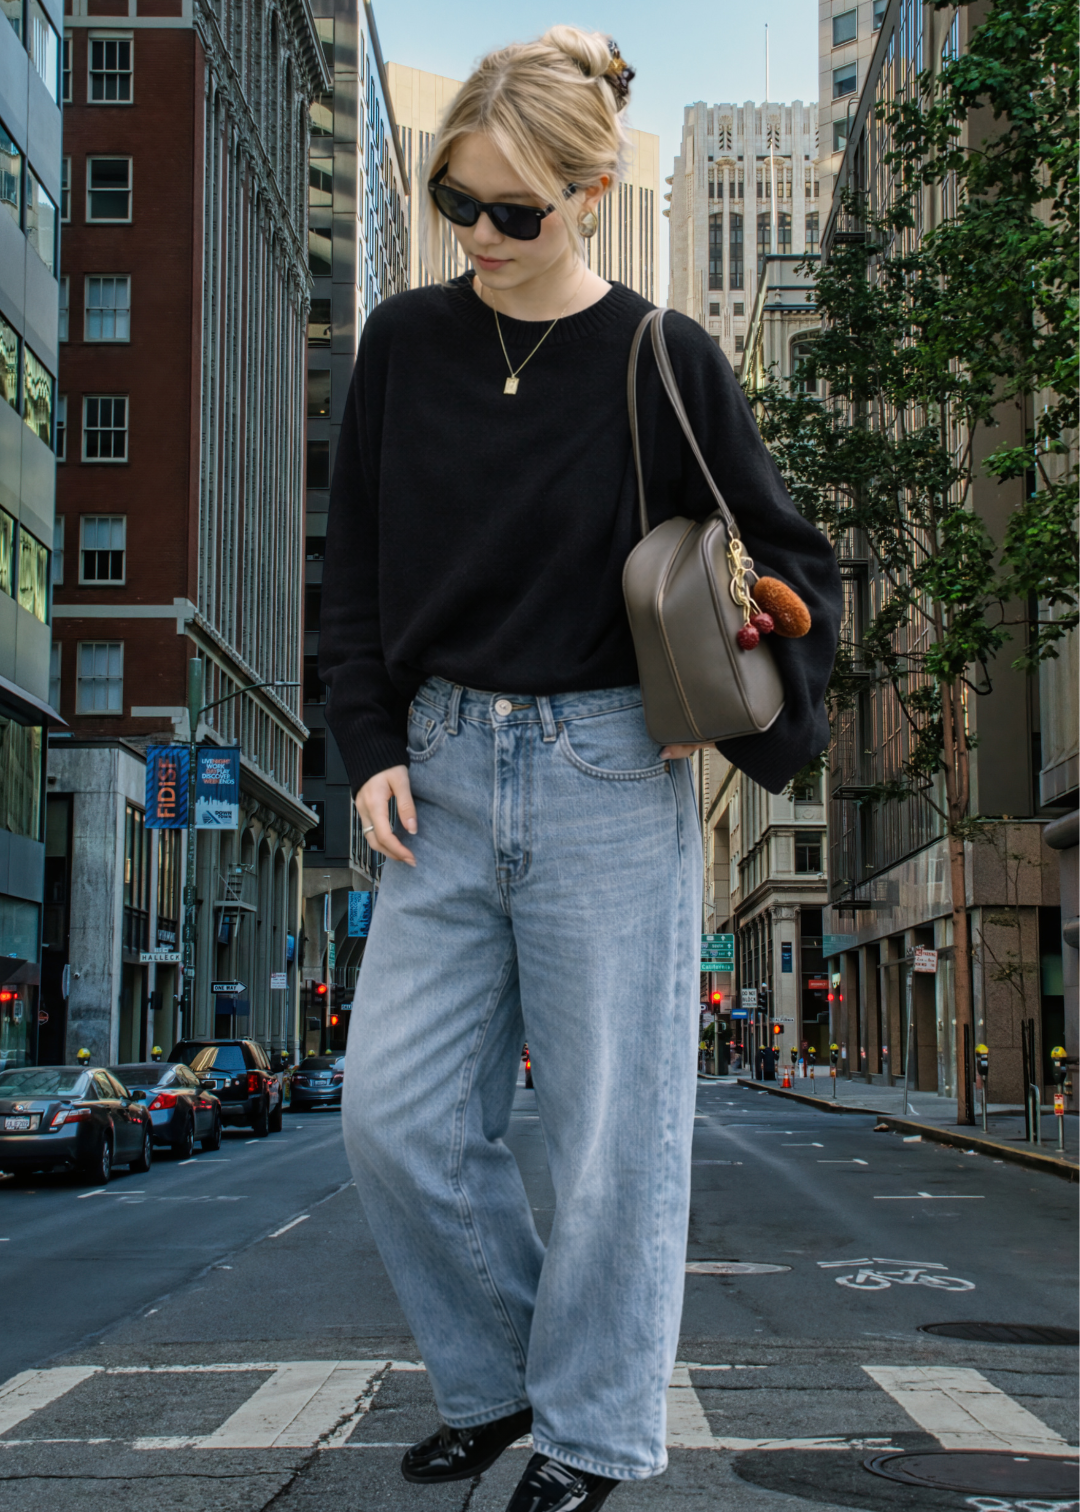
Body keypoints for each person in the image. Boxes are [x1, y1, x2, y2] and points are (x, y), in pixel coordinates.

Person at [319, 26, 841, 1512]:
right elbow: (349, 572)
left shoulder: (662, 360)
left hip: (611, 774)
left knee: (611, 1142)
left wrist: (729, 723)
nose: (479, 236)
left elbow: (797, 566)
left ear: (593, 193)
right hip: (438, 776)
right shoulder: (405, 346)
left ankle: (594, 1432)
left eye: (516, 210)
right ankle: (496, 1386)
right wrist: (364, 749)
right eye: (454, 202)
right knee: (397, 1118)